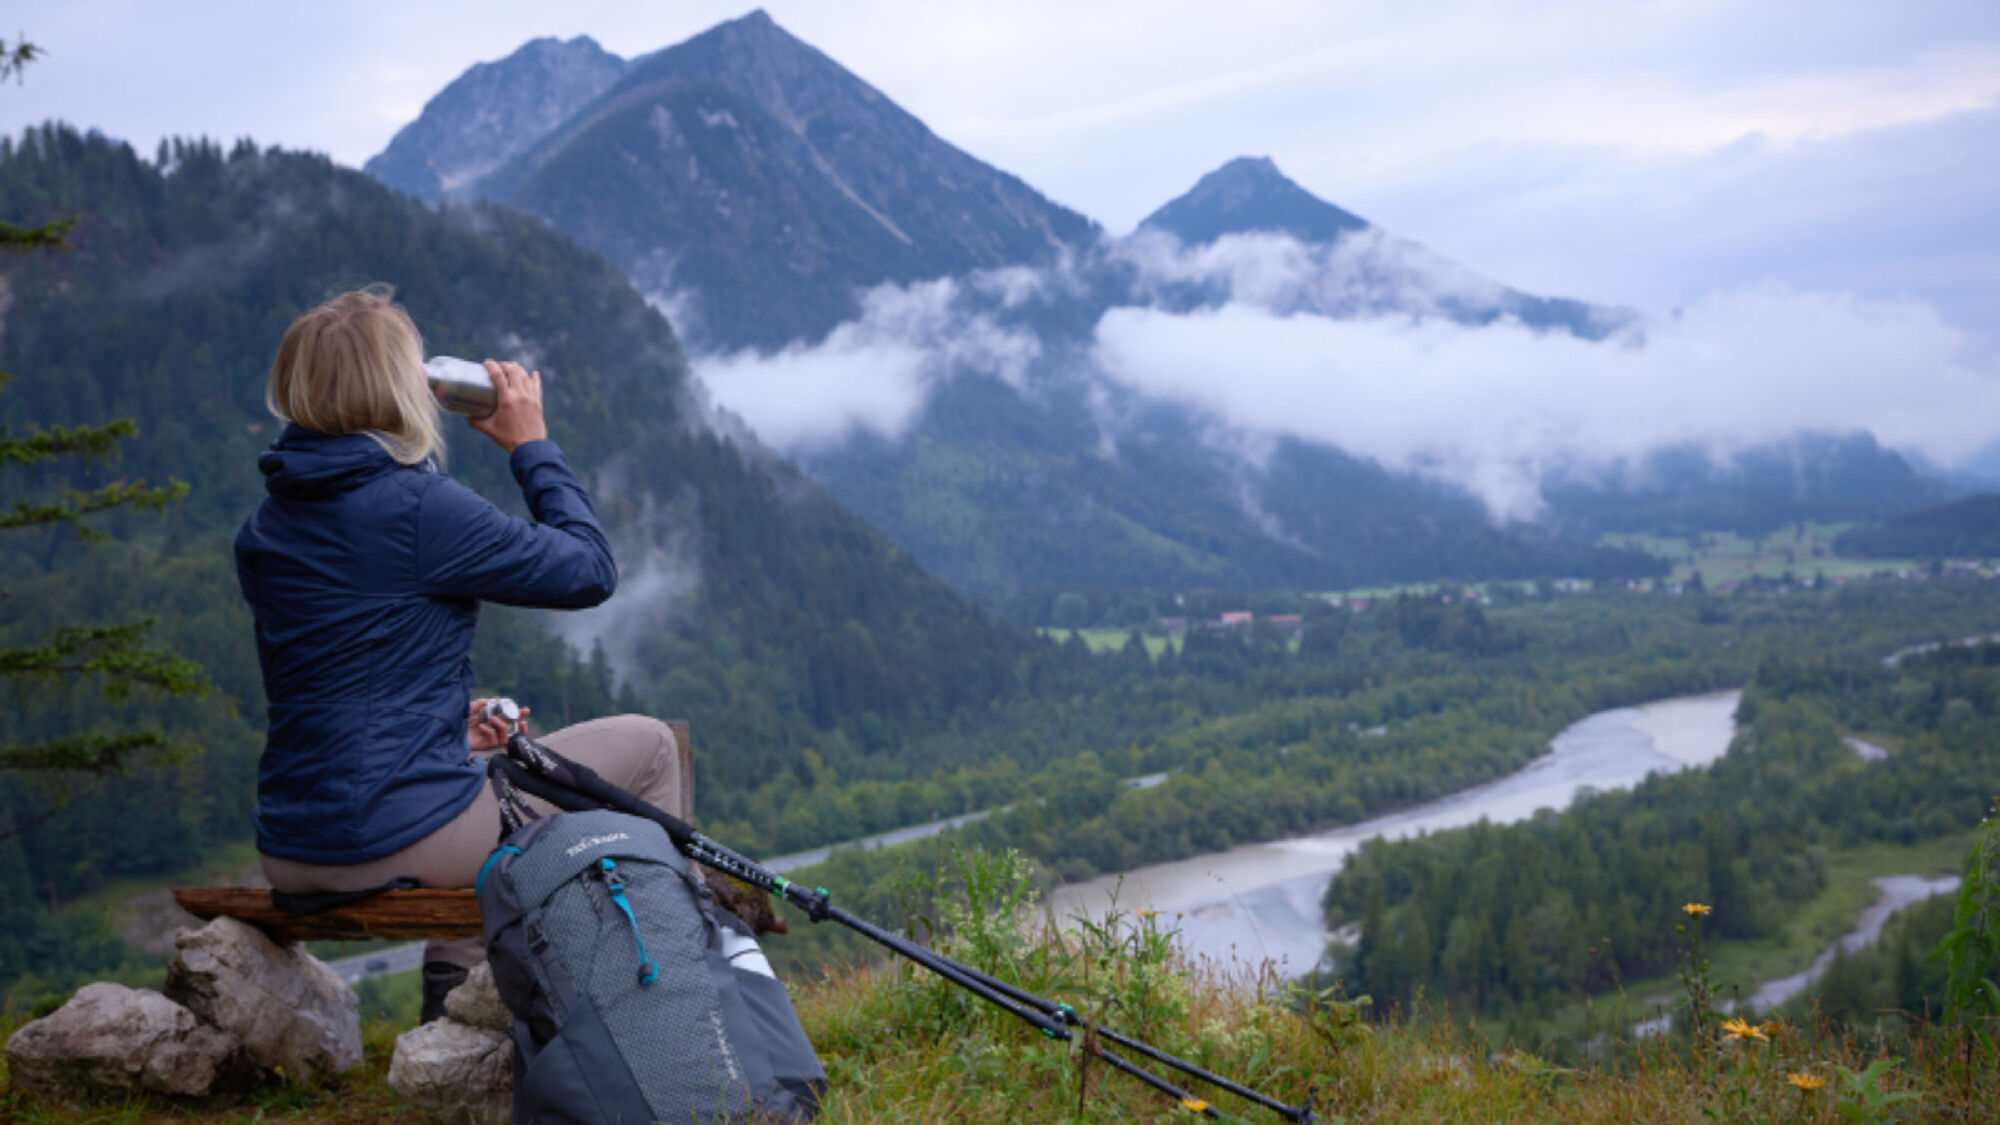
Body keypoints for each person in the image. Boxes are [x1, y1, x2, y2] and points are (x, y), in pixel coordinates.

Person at [234, 287, 686, 1020]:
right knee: (652, 745)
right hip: (394, 835)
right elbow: (588, 569)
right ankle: (662, 999)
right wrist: (530, 443)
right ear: (406, 388)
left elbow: (337, 672)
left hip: (291, 842)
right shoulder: (419, 507)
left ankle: (453, 1021)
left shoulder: (265, 525)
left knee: (485, 793)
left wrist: (442, 724)